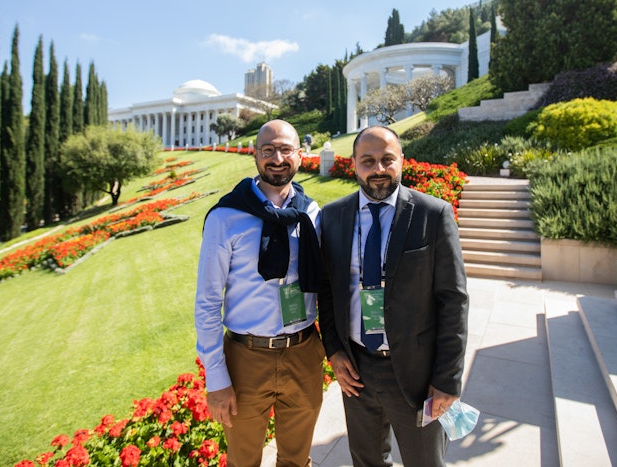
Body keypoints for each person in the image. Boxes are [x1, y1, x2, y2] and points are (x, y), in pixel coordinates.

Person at [318, 125, 469, 467]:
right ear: (354, 164)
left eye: (387, 159)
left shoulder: (433, 215)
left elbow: (453, 301)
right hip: (357, 370)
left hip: (417, 374)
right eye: (368, 161)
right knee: (367, 461)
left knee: (425, 462)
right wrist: (335, 350)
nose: (379, 169)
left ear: (402, 160)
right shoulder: (332, 217)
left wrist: (447, 380)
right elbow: (327, 290)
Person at [195, 119, 325, 467]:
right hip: (246, 358)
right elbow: (207, 301)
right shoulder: (226, 217)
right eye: (268, 150)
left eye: (285, 150)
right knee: (243, 460)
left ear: (300, 155)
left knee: (297, 459)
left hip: (303, 353)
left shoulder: (312, 214)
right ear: (255, 155)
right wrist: (217, 378)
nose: (277, 158)